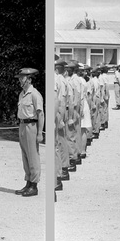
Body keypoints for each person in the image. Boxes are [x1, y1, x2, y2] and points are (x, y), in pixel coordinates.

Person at [14, 68, 43, 197]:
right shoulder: (22, 94)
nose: (20, 80)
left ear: (29, 79)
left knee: (33, 156)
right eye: (20, 77)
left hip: (32, 125)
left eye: (23, 77)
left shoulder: (35, 94)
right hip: (22, 125)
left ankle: (34, 185)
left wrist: (40, 133)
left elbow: (40, 114)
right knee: (25, 155)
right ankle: (28, 182)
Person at [53, 59, 69, 191]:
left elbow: (62, 101)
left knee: (58, 144)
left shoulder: (58, 79)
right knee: (58, 144)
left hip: (58, 114)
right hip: (58, 113)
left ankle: (60, 173)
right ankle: (60, 172)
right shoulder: (59, 79)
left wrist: (61, 118)